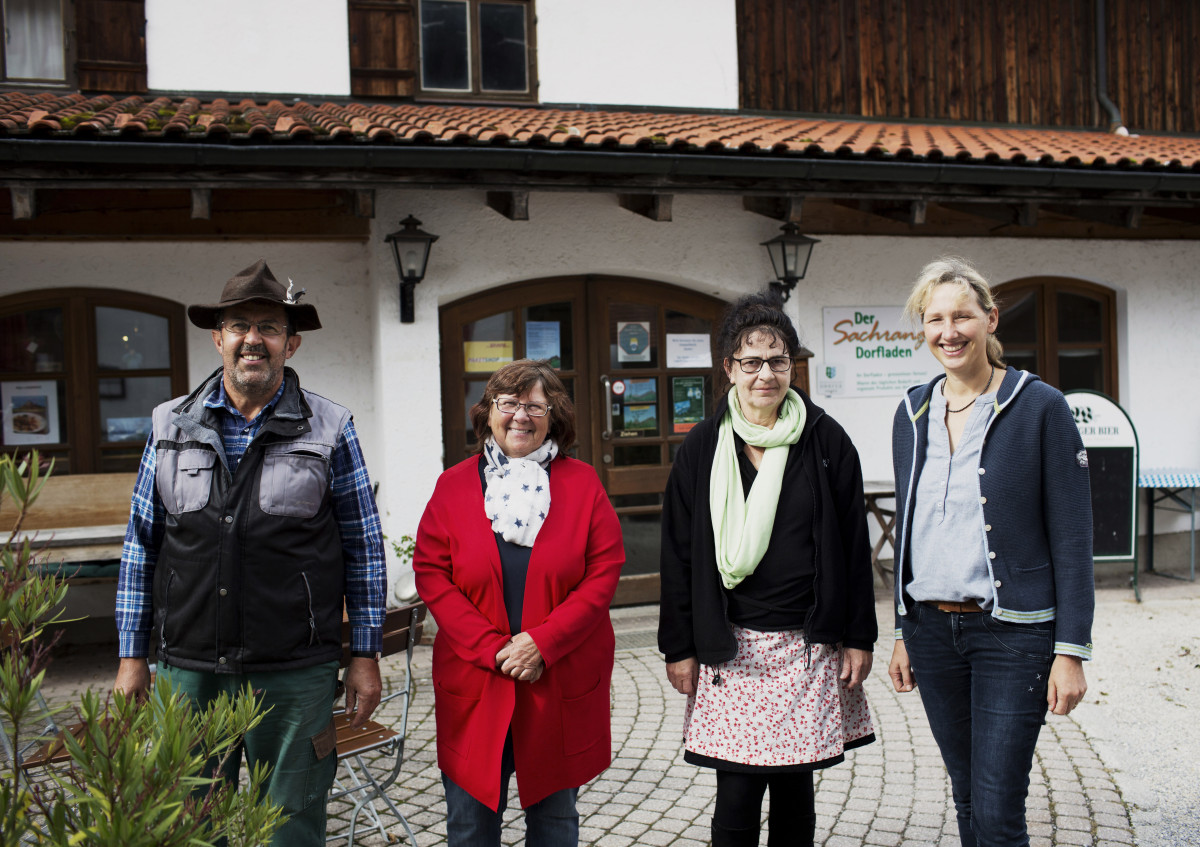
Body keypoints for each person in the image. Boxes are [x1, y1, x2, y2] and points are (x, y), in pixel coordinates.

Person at [113, 259, 386, 846]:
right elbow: (142, 547)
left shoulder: (330, 426)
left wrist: (364, 652)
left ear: (292, 343)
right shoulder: (169, 426)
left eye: (267, 326)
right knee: (189, 823)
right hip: (187, 669)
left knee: (290, 823)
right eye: (239, 325)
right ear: (218, 339)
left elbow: (364, 547)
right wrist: (132, 655)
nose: (252, 339)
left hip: (294, 671)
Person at [658, 292, 877, 847]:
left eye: (778, 361)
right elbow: (679, 553)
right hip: (730, 644)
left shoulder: (825, 439)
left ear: (792, 366)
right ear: (728, 368)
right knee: (735, 792)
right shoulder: (703, 447)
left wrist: (858, 637)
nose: (765, 375)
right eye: (750, 362)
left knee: (795, 789)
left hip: (806, 645)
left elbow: (853, 545)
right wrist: (678, 645)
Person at [888, 257, 1094, 847]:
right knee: (967, 796)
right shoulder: (911, 412)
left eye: (962, 316)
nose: (947, 331)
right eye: (934, 319)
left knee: (999, 808)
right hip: (931, 634)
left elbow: (1074, 537)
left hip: (1014, 635)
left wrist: (1071, 650)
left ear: (991, 319)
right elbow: (912, 529)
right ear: (922, 328)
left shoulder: (1040, 408)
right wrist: (903, 629)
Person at [412, 359, 624, 847]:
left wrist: (542, 643)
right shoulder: (453, 485)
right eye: (509, 404)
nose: (520, 416)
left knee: (554, 823)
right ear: (488, 413)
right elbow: (432, 572)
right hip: (476, 678)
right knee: (469, 826)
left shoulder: (584, 483)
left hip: (554, 676)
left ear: (554, 418)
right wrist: (492, 649)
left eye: (535, 406)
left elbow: (602, 572)